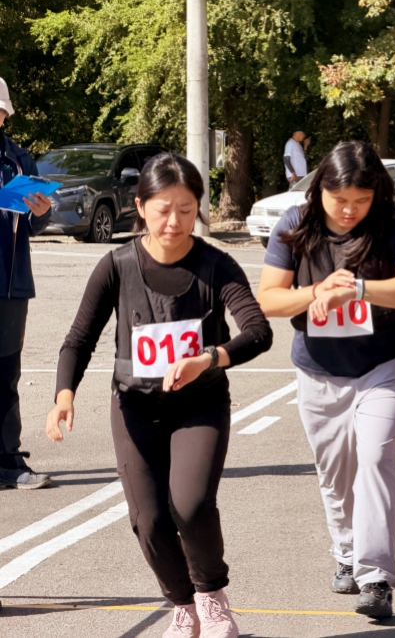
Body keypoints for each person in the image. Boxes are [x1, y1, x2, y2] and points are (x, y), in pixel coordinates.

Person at [46, 153, 273, 638]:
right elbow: (78, 338)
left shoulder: (217, 264)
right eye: (164, 208)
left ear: (198, 209)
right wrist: (64, 394)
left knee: (189, 505)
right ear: (141, 206)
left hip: (199, 404)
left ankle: (212, 597)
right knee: (148, 519)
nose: (175, 221)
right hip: (135, 407)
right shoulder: (118, 265)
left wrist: (208, 359)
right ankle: (182, 605)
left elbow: (257, 332)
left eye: (187, 210)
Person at [257, 141, 395, 620]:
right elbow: (269, 300)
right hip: (319, 369)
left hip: (387, 364)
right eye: (341, 200)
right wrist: (317, 291)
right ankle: (347, 551)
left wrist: (356, 288)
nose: (351, 210)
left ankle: (375, 576)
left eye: (362, 199)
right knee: (335, 472)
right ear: (321, 192)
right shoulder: (295, 224)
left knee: (375, 456)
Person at [0, 77, 54, 490]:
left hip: (11, 284)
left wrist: (42, 209)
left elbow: (36, 224)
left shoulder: (20, 161)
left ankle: (9, 462)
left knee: (6, 373)